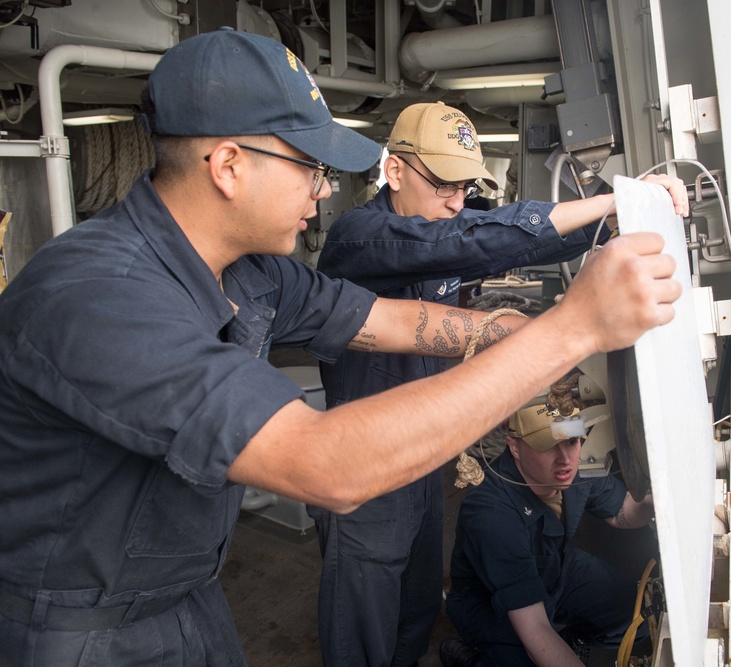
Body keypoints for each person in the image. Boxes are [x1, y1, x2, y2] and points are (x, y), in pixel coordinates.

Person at [0, 30, 682, 666]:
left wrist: (516, 331)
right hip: (79, 629)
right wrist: (573, 327)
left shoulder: (251, 268)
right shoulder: (100, 294)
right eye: (309, 166)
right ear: (229, 165)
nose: (324, 188)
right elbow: (326, 465)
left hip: (187, 590)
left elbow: (389, 319)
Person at [310, 101, 689, 667]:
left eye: (464, 187)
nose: (456, 202)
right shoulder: (360, 237)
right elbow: (463, 240)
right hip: (362, 473)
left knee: (414, 608)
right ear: (394, 172)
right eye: (443, 185)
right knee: (361, 628)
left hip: (420, 465)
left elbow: (501, 238)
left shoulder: (440, 223)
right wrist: (609, 200)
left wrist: (613, 221)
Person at [443, 391, 656, 667]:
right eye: (547, 445)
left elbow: (621, 511)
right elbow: (533, 626)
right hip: (497, 605)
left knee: (639, 615)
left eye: (572, 441)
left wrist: (661, 503)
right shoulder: (490, 513)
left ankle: (568, 639)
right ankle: (470, 659)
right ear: (514, 446)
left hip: (557, 570)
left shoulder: (572, 467)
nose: (565, 459)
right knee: (532, 653)